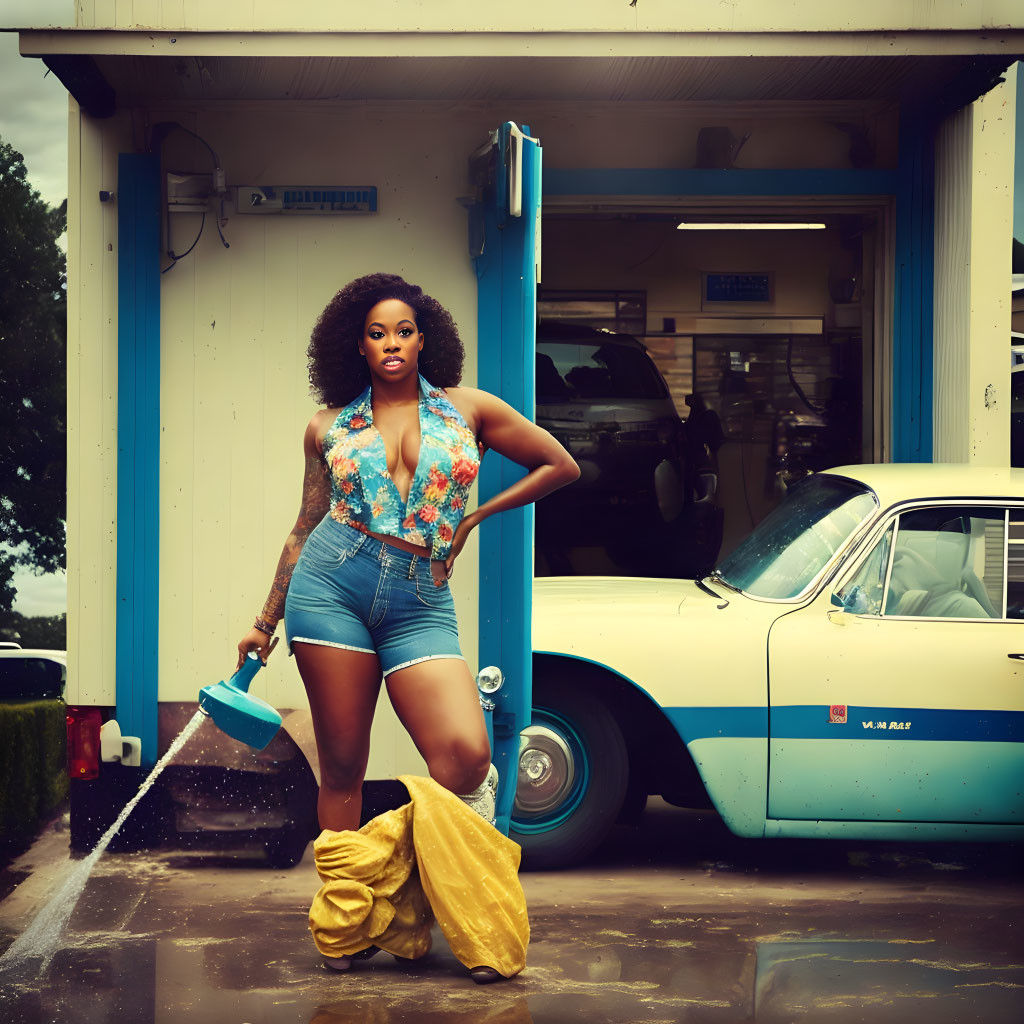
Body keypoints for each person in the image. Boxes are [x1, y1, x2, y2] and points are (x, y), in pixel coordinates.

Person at [235, 272, 579, 975]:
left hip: (421, 597)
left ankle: (429, 897)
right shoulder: (328, 426)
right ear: (356, 347)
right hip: (331, 585)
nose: (391, 343)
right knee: (341, 765)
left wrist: (477, 516)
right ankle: (347, 926)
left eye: (403, 331)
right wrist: (264, 622)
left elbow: (559, 463)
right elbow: (304, 526)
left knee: (465, 757)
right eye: (376, 333)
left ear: (424, 340)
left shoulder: (469, 411)